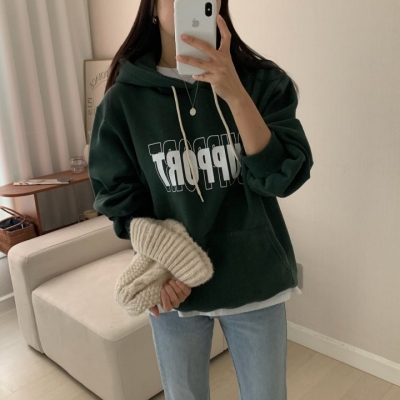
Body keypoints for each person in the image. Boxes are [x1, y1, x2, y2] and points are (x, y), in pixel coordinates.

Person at [88, 0, 313, 399]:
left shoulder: (262, 82)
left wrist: (235, 94)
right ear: (152, 7)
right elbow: (118, 197)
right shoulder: (123, 101)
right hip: (173, 284)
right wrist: (160, 269)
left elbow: (283, 177)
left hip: (255, 279)